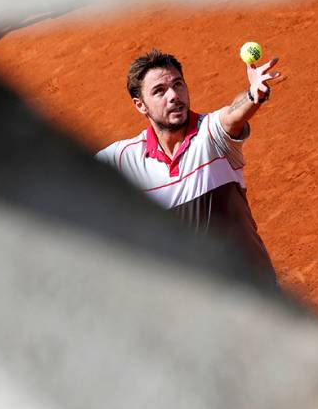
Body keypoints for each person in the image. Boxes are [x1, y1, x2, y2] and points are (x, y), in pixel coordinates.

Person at [95, 49, 281, 281]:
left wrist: (253, 95)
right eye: (159, 91)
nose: (173, 95)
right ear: (140, 105)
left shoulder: (211, 136)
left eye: (178, 84)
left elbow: (232, 115)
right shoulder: (125, 158)